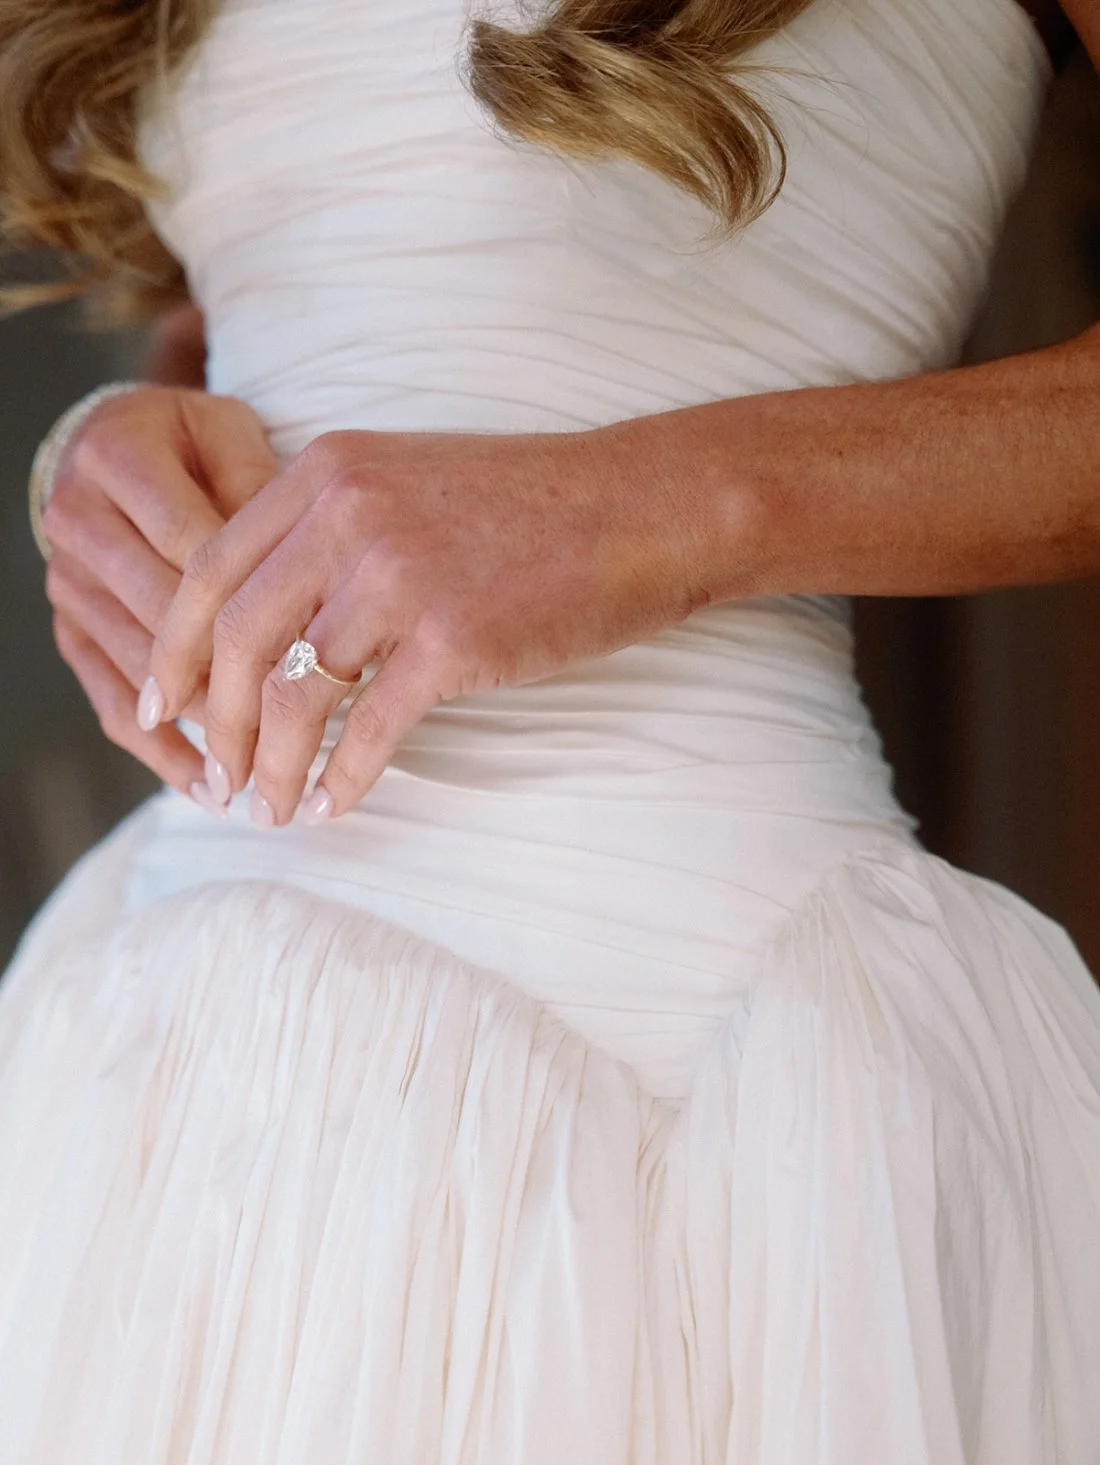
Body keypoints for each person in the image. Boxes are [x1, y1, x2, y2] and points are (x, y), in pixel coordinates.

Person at [0, 0, 1098, 1459]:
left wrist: (660, 503)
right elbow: (313, 293)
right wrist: (101, 470)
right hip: (181, 1064)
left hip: (694, 1056)